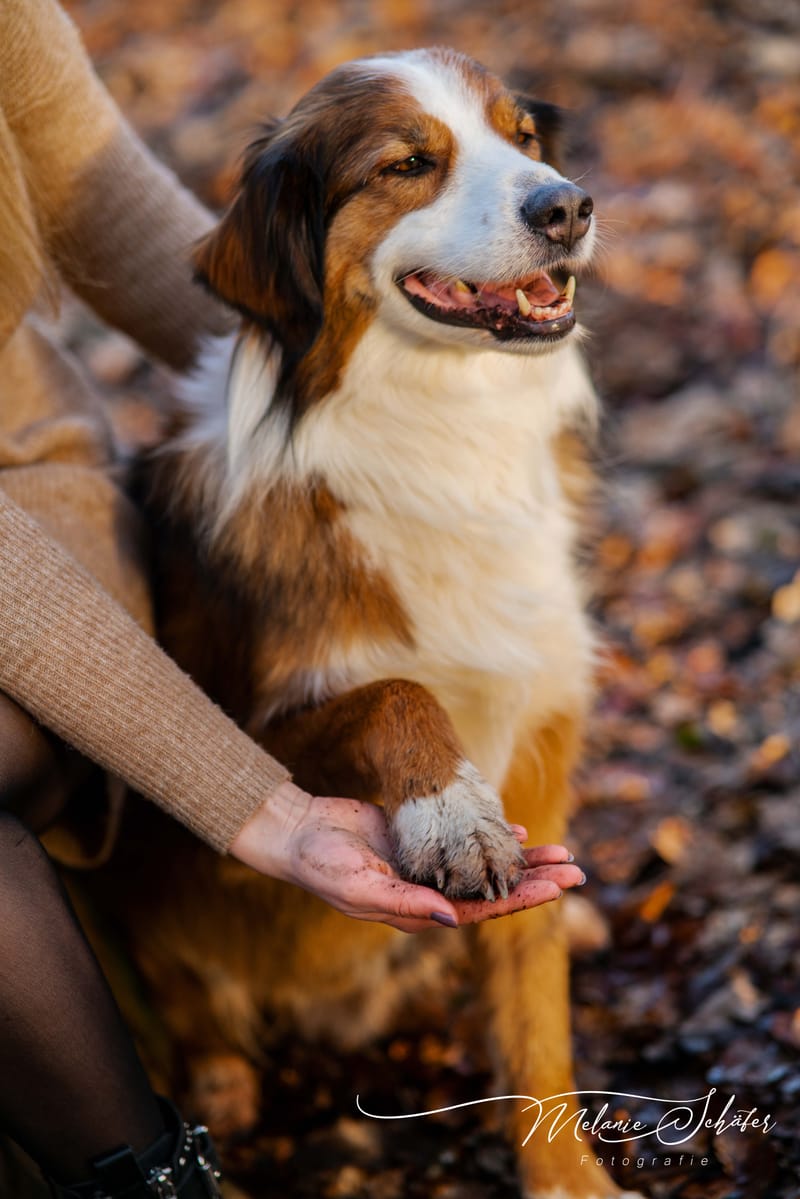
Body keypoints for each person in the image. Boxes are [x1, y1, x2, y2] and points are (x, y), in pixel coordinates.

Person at [0, 1, 585, 1195]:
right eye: (411, 167)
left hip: (24, 475)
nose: (551, 187)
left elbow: (99, 203)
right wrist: (253, 804)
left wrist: (307, 365)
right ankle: (147, 1155)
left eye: (514, 141)